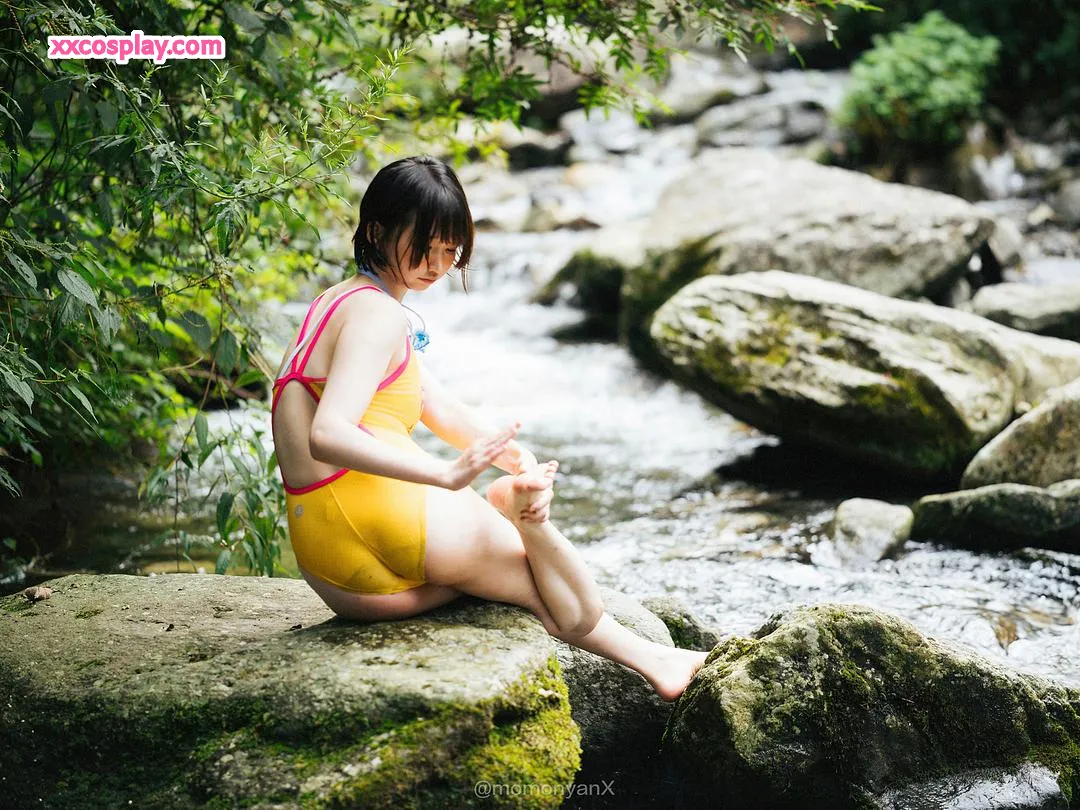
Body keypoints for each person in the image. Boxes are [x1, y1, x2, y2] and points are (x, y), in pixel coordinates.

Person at [270, 155, 708, 702]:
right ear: (377, 232)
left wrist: (509, 454)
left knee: (521, 584)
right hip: (374, 522)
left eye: (449, 251)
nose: (436, 265)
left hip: (334, 570)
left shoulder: (337, 302)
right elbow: (329, 433)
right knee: (568, 603)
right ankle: (641, 644)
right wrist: (446, 475)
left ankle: (655, 655)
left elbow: (430, 400)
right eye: (423, 247)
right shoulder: (378, 315)